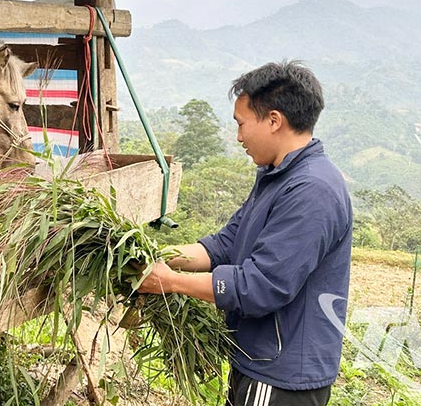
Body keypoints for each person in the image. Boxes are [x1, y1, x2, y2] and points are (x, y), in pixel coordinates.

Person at [138, 61, 352, 406]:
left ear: (273, 120)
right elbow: (226, 244)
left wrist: (170, 282)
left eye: (241, 124)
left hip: (281, 375)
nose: (238, 137)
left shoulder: (312, 190)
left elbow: (260, 286)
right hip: (259, 362)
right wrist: (154, 257)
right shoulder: (276, 175)